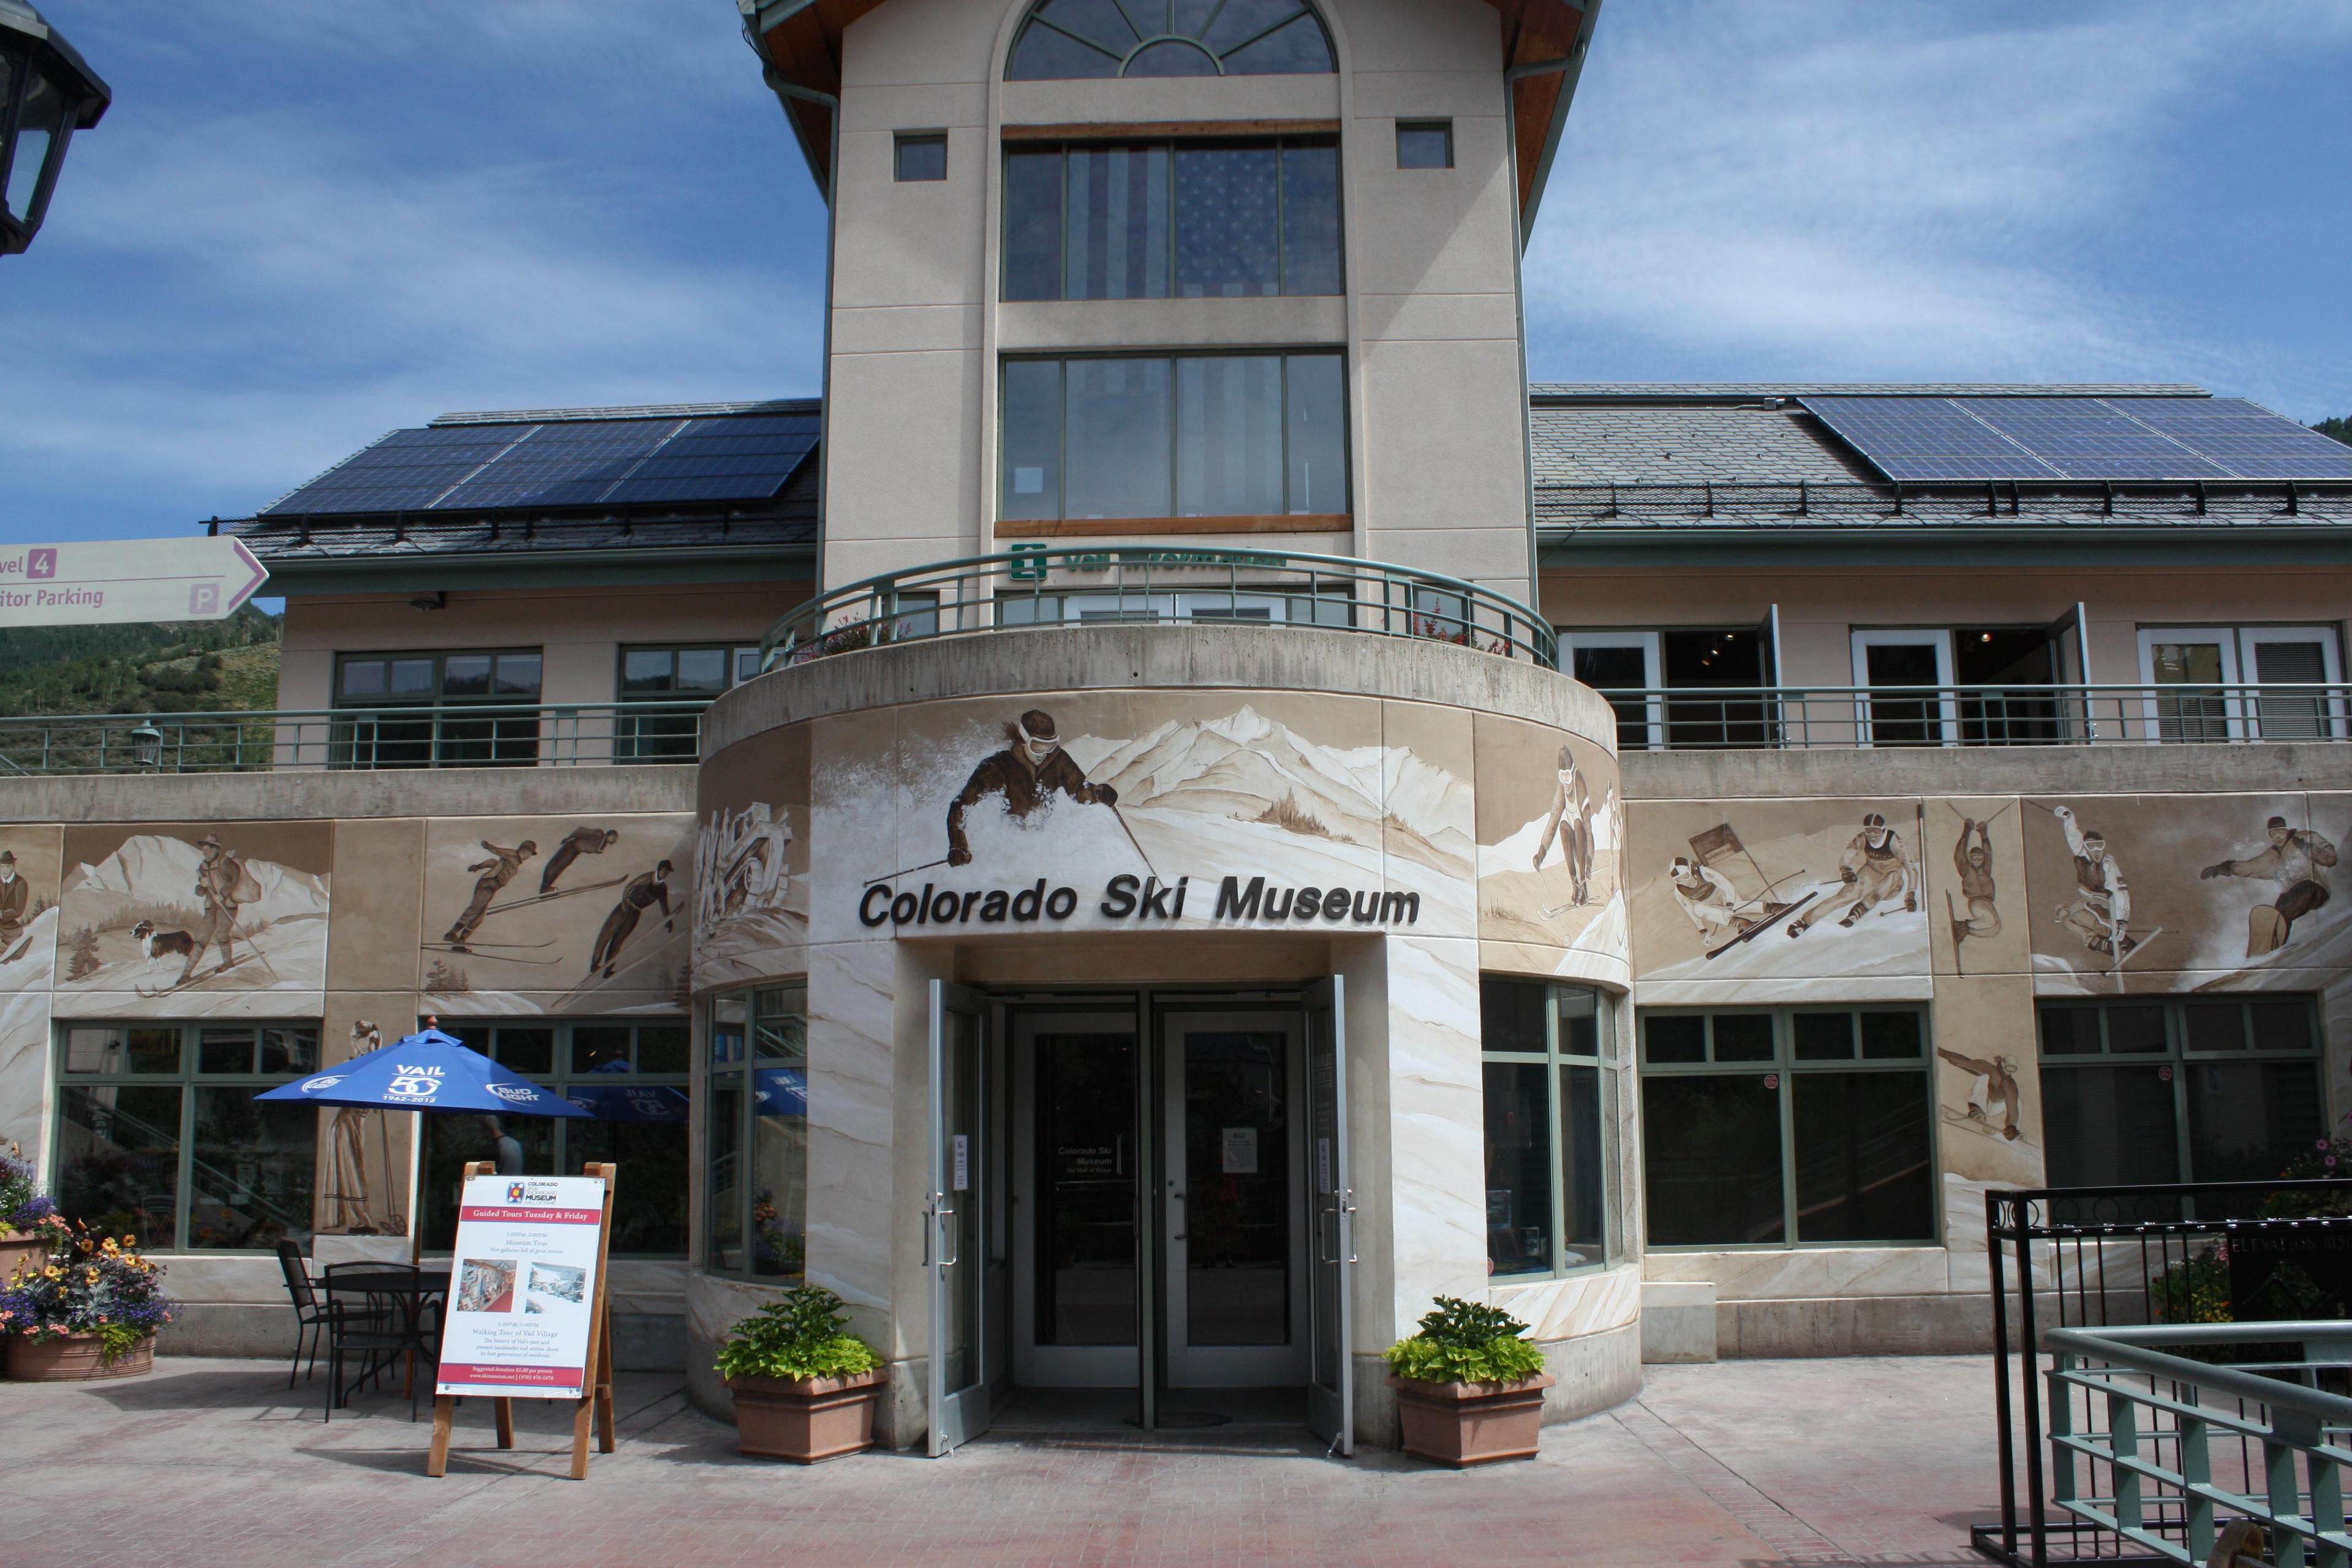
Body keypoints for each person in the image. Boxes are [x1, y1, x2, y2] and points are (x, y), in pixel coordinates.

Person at [944, 709, 1118, 867]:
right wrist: (958, 845)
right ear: (1024, 740)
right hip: (1009, 845)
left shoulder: (1057, 760)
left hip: (1042, 845)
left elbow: (1078, 789)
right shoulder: (999, 766)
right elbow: (962, 804)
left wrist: (1097, 793)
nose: (1044, 753)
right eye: (1038, 746)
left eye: (1050, 745)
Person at [2202, 815, 2337, 956]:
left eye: (2281, 833)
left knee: (2288, 909)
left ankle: (2277, 941)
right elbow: (2251, 866)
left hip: (2315, 888)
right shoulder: (2272, 856)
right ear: (2270, 836)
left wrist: (2307, 848)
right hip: (2293, 892)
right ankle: (2271, 949)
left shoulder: (2303, 837)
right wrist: (2221, 868)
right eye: (2273, 835)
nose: (2278, 838)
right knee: (2277, 912)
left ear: (2287, 830)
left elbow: (2331, 858)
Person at [1790, 812, 1912, 937]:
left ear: (1883, 830)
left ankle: (1860, 910)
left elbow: (1911, 869)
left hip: (1892, 883)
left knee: (1888, 881)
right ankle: (1805, 922)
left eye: (1876, 831)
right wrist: (1846, 870)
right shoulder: (1863, 838)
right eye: (1869, 831)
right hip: (1872, 872)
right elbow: (1847, 856)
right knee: (1845, 896)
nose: (1873, 836)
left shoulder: (1893, 841)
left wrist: (1910, 895)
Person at [2052, 805, 2133, 959]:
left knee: (2078, 911)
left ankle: (2123, 940)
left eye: (2099, 846)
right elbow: (2074, 837)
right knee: (2068, 919)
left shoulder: (2107, 865)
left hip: (2108, 904)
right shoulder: (2082, 856)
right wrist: (2068, 817)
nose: (2096, 851)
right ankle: (2100, 943)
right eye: (2091, 847)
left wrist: (2122, 921)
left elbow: (2120, 891)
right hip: (2089, 902)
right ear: (2086, 848)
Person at [183, 833, 259, 985]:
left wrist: (223, 895)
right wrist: (202, 886)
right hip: (211, 907)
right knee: (201, 939)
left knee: (222, 935)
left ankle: (228, 962)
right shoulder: (203, 867)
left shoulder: (226, 863)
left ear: (215, 849)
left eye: (208, 849)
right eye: (204, 850)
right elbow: (199, 892)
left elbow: (234, 879)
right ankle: (185, 974)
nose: (205, 852)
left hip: (227, 906)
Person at [445, 840, 537, 952]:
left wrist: (479, 866)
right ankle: (452, 933)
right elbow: (499, 852)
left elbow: (493, 862)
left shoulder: (515, 862)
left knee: (479, 917)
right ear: (524, 850)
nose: (529, 857)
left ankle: (459, 944)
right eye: (529, 853)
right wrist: (489, 847)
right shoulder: (512, 855)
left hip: (493, 886)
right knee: (476, 908)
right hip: (489, 883)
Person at [1532, 745, 1595, 906]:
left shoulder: (1578, 781)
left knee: (1578, 823)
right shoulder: (1562, 787)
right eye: (1563, 778)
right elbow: (1553, 821)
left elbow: (1588, 827)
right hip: (1572, 841)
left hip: (1583, 841)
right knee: (1563, 826)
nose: (1566, 783)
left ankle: (1582, 884)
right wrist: (1541, 853)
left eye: (1568, 777)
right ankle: (1574, 883)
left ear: (1572, 773)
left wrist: (1589, 860)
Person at [589, 860, 674, 979]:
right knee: (607, 934)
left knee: (619, 941)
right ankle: (594, 964)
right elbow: (630, 886)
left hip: (635, 913)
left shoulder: (662, 888)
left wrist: (668, 920)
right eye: (665, 871)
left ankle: (608, 969)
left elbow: (664, 905)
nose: (666, 874)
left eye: (668, 872)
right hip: (624, 908)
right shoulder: (647, 877)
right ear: (660, 869)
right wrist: (624, 902)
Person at [1936, 1048, 2022, 1140]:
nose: (2008, 1073)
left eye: (2012, 1070)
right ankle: (1977, 1111)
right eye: (2007, 1068)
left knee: (2018, 1102)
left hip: (1997, 1107)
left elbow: (2012, 1107)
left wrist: (2011, 1126)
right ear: (2001, 1065)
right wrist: (1940, 1052)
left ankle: (2016, 1131)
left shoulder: (2009, 1085)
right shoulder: (1988, 1069)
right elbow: (1962, 1062)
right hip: (1984, 1101)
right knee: (1984, 1077)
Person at [1668, 855, 1746, 940]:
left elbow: (1726, 885)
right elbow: (1690, 911)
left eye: (1686, 876)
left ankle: (1760, 908)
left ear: (1691, 870)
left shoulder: (1703, 872)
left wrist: (1730, 905)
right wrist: (1704, 932)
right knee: (1697, 909)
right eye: (1679, 880)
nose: (1685, 882)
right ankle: (1738, 922)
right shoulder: (1680, 891)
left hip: (1725, 896)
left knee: (1738, 907)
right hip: (1713, 905)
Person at [1951, 818, 2000, 947]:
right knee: (1989, 920)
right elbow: (1959, 855)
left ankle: (1967, 931)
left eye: (1980, 858)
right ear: (1970, 859)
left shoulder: (1986, 870)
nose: (1978, 861)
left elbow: (1988, 854)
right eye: (1975, 859)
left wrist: (1984, 834)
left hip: (1988, 901)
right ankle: (1962, 925)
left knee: (1995, 928)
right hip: (1977, 901)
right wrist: (1966, 832)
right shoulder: (1967, 870)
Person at [539, 826, 619, 895]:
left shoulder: (602, 844)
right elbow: (580, 831)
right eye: (614, 838)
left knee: (560, 867)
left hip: (575, 851)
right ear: (610, 835)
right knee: (556, 865)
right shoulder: (599, 835)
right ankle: (544, 888)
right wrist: (568, 839)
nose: (615, 841)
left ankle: (547, 888)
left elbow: (589, 848)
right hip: (571, 847)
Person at [0, 850, 28, 950]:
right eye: (2, 866)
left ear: (13, 866)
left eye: (7, 867)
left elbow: (18, 910)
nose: (4, 870)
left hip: (10, 926)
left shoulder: (20, 883)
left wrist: (2, 914)